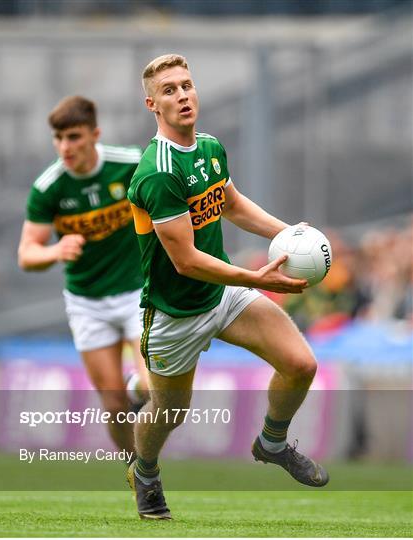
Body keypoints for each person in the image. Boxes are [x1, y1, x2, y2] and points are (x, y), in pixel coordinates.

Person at [127, 54, 329, 521]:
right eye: (170, 90)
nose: (182, 95)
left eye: (187, 85)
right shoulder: (157, 172)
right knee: (170, 413)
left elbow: (232, 204)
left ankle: (271, 444)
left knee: (300, 364)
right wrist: (256, 276)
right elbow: (186, 261)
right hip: (175, 311)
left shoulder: (210, 147)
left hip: (222, 294)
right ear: (152, 105)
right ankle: (147, 471)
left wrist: (290, 235)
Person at [18, 95, 148, 462]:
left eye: (74, 137)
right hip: (87, 301)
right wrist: (55, 252)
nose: (65, 147)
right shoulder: (49, 187)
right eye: (58, 138)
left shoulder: (132, 163)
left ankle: (138, 388)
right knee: (112, 402)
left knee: (154, 386)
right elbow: (27, 254)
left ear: (95, 134)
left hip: (137, 291)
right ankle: (137, 472)